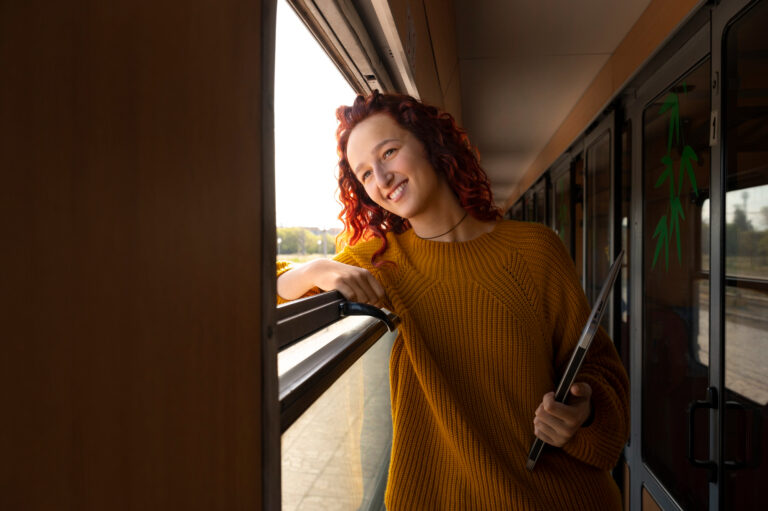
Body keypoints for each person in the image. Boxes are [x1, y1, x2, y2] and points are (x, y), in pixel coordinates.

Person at [277, 91, 629, 510]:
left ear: (431, 143)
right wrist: (316, 269)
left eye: (388, 152)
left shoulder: (535, 250)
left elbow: (600, 368)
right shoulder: (379, 263)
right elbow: (248, 289)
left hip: (563, 498)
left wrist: (583, 410)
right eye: (365, 173)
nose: (382, 180)